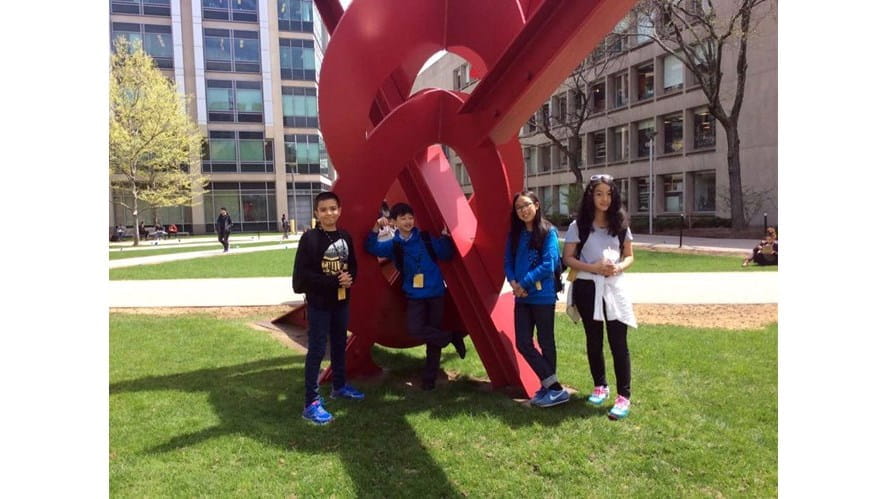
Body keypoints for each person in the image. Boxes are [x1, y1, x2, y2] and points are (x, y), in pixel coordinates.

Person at [364, 202, 467, 391]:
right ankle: (451, 336)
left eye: (410, 217)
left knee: (432, 339)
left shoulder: (425, 239)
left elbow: (445, 254)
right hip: (414, 295)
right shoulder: (394, 245)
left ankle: (429, 379)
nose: (408, 221)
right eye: (403, 218)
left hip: (435, 292)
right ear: (394, 222)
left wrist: (445, 237)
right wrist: (376, 227)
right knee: (415, 329)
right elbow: (372, 247)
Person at [563, 174, 637, 420]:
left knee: (618, 343)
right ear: (590, 196)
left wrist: (618, 267)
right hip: (587, 287)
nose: (605, 199)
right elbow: (568, 258)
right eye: (599, 194)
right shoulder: (579, 226)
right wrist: (594, 268)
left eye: (609, 194)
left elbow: (629, 256)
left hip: (613, 288)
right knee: (593, 339)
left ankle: (623, 396)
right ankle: (600, 385)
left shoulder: (621, 224)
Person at [292, 192, 364, 425]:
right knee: (317, 350)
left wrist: (350, 278)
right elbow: (301, 278)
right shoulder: (310, 239)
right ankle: (311, 403)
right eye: (323, 210)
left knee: (340, 344)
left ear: (340, 210)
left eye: (333, 208)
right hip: (319, 305)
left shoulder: (345, 236)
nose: (329, 213)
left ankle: (339, 386)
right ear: (316, 213)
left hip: (341, 303)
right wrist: (333, 282)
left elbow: (353, 265)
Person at [505, 191, 570, 408]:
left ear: (536, 205)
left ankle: (549, 388)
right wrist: (513, 283)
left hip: (542, 296)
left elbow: (548, 264)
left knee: (545, 342)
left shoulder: (548, 231)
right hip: (521, 297)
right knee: (523, 342)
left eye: (526, 205)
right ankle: (553, 387)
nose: (523, 210)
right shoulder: (515, 234)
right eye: (519, 208)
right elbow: (508, 261)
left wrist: (524, 284)